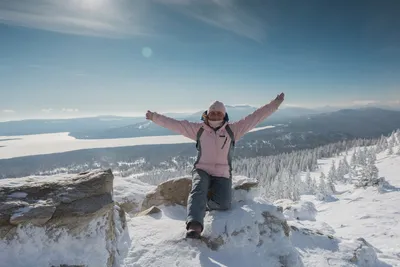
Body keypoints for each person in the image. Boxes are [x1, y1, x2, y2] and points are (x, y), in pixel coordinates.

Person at [146, 92, 285, 238]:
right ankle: (194, 225)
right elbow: (176, 125)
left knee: (224, 204)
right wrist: (155, 117)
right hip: (202, 169)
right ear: (207, 114)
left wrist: (274, 104)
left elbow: (255, 117)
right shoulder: (199, 130)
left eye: (219, 113)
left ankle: (201, 202)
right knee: (198, 188)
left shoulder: (233, 130)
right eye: (213, 112)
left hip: (222, 173)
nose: (216, 115)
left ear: (224, 115)